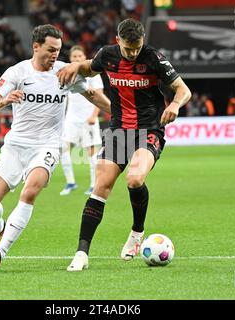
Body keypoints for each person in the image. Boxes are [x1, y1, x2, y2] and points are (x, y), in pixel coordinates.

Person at [57, 18, 191, 271]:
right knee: (101, 186)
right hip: (119, 130)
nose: (133, 53)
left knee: (135, 179)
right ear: (118, 41)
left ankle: (136, 233)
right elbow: (88, 67)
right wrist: (75, 66)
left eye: (137, 48)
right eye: (128, 49)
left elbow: (183, 89)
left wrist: (174, 104)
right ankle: (82, 254)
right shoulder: (107, 55)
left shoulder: (154, 58)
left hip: (149, 129)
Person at [0, 24, 111, 271]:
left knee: (30, 191)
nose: (55, 55)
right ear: (36, 46)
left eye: (58, 50)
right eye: (51, 50)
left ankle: (1, 251)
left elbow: (92, 95)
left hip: (47, 146)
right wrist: (5, 100)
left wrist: (120, 114)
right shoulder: (17, 72)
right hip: (16, 146)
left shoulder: (64, 72)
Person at [60, 45, 104, 196]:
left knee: (91, 153)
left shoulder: (93, 75)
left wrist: (94, 115)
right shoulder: (67, 73)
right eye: (74, 57)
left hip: (88, 118)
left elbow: (100, 97)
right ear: (70, 59)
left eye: (80, 56)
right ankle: (70, 182)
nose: (77, 59)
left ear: (84, 58)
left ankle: (93, 185)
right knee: (63, 149)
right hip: (71, 118)